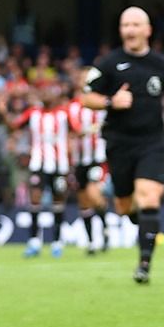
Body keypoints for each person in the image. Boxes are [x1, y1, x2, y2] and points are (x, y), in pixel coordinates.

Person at [82, 7, 164, 284]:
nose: (130, 30)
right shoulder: (108, 63)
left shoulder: (162, 64)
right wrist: (109, 102)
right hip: (119, 143)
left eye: (135, 24)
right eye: (125, 25)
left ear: (147, 30)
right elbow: (86, 97)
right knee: (125, 206)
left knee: (149, 196)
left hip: (152, 141)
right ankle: (147, 229)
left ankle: (144, 264)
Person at [8, 83, 71, 258]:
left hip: (59, 165)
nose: (45, 94)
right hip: (38, 164)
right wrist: (1, 111)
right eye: (42, 91)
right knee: (35, 200)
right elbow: (14, 125)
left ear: (56, 94)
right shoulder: (33, 113)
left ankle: (57, 242)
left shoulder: (63, 113)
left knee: (58, 202)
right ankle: (34, 242)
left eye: (49, 91)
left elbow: (76, 131)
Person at [67, 72, 109, 254]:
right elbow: (76, 129)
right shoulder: (74, 106)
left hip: (97, 158)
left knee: (94, 194)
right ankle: (92, 241)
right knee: (83, 202)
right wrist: (93, 128)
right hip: (80, 159)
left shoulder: (101, 102)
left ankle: (105, 226)